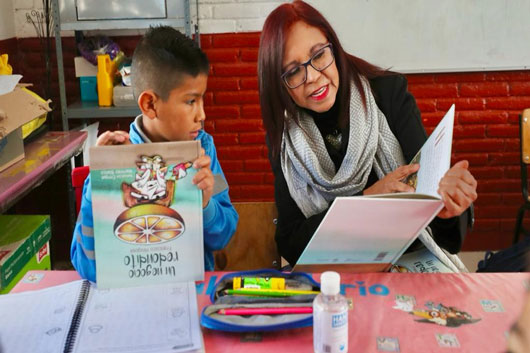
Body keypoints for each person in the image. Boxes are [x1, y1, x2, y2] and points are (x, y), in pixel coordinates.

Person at [258, 1, 477, 267]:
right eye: (294, 71)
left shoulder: (388, 95)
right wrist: (367, 200)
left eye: (318, 56)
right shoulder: (285, 139)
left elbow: (444, 230)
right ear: (281, 85)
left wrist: (449, 210)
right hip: (339, 273)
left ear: (333, 49)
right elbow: (291, 242)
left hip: (412, 264)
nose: (313, 76)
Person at [71, 26, 239, 282]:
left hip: (189, 296)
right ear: (150, 104)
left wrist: (205, 204)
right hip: (130, 299)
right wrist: (97, 182)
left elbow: (224, 234)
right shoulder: (115, 160)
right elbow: (85, 265)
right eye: (191, 101)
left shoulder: (203, 150)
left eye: (201, 100)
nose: (202, 115)